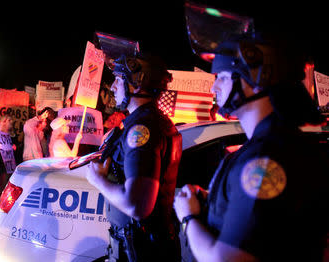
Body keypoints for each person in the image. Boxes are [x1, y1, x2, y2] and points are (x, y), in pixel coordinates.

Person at [174, 9, 328, 261]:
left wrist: (188, 216)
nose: (214, 86)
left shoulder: (266, 157)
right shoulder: (273, 144)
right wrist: (216, 202)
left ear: (256, 79)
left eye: (221, 77)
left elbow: (225, 259)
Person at [86, 54, 182, 261]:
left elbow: (137, 205)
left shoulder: (143, 128)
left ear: (138, 83)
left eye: (119, 80)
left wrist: (98, 180)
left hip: (142, 250)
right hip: (140, 246)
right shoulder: (144, 121)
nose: (112, 87)